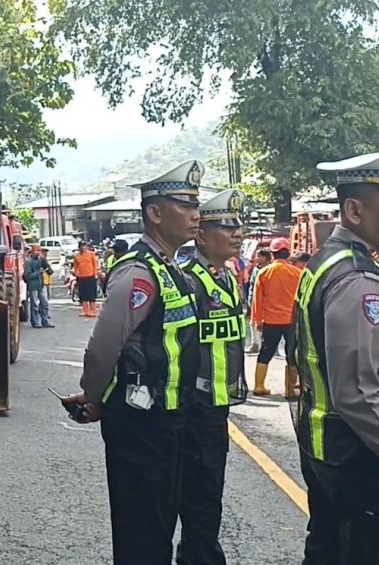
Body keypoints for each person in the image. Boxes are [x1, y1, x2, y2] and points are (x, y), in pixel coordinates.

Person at [62, 160, 202, 565]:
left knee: (158, 528)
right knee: (142, 535)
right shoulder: (139, 272)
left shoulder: (169, 269)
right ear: (154, 213)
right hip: (142, 425)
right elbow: (103, 347)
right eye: (184, 206)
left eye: (195, 206)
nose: (195, 215)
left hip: (167, 420)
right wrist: (93, 397)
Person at [294, 152, 379, 564]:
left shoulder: (326, 261)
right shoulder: (356, 278)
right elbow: (358, 393)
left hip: (325, 444)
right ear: (354, 210)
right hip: (354, 452)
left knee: (326, 547)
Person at [176, 190, 249, 565]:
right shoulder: (189, 281)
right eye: (226, 227)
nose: (237, 234)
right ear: (202, 236)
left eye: (238, 226)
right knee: (200, 495)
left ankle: (197, 553)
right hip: (194, 407)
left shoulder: (227, 278)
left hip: (218, 406)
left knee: (208, 493)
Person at [251, 237, 300, 398]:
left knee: (265, 352)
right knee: (291, 354)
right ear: (288, 253)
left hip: (271, 321)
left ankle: (259, 386)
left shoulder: (264, 273)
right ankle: (290, 390)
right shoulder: (297, 273)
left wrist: (257, 320)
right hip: (291, 320)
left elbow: (257, 299)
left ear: (272, 254)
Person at [244, 247, 273, 354]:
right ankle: (254, 344)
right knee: (253, 322)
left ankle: (269, 346)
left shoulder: (270, 269)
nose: (257, 258)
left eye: (259, 256)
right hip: (254, 300)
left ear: (266, 258)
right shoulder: (255, 269)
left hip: (266, 301)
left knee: (267, 324)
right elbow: (251, 286)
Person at [24, 244, 55, 328]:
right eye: (37, 251)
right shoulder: (29, 262)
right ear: (32, 251)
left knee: (45, 304)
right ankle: (35, 322)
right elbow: (27, 276)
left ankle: (45, 321)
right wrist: (38, 273)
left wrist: (45, 263)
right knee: (34, 305)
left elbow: (49, 271)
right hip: (33, 286)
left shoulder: (41, 260)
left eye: (39, 250)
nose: (39, 252)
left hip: (41, 285)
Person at [73, 241, 100, 317]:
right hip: (81, 277)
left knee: (91, 294)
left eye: (84, 246)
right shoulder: (77, 256)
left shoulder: (91, 254)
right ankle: (85, 310)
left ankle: (93, 310)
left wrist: (95, 274)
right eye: (81, 246)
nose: (83, 247)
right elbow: (75, 266)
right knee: (83, 294)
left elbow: (95, 265)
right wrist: (77, 274)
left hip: (91, 276)